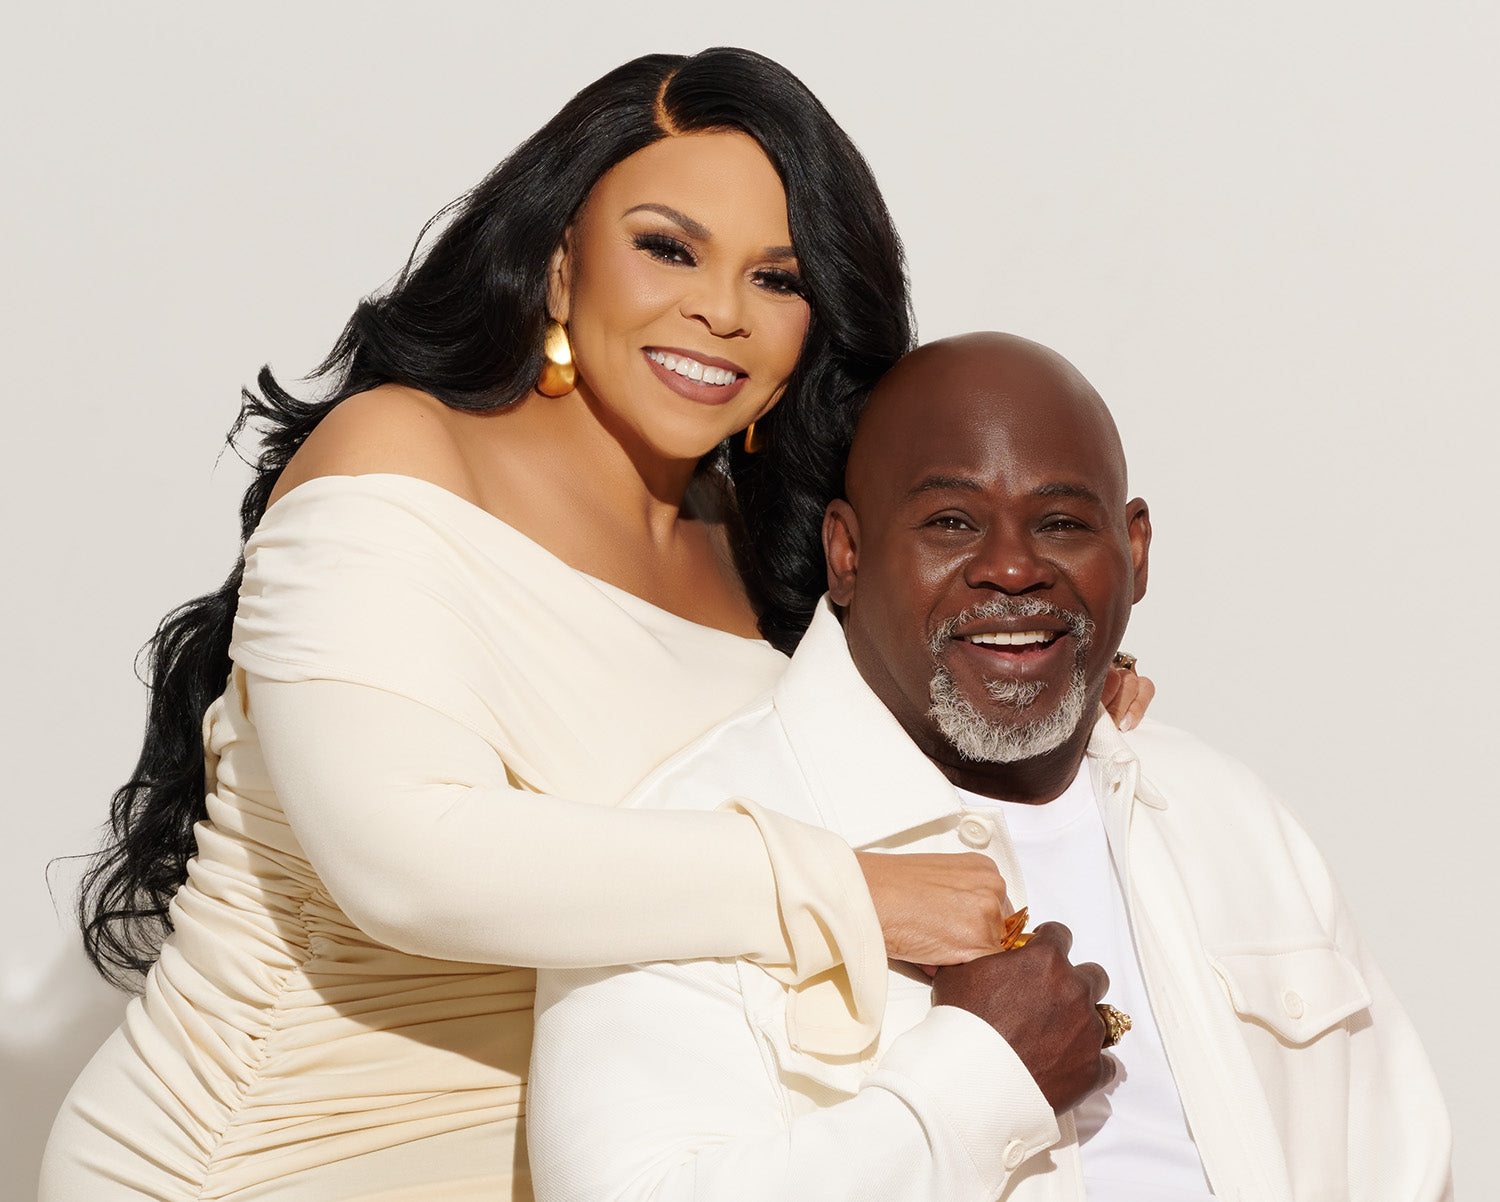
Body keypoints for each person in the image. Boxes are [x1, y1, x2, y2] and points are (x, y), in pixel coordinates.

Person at [527, 332, 1452, 1202]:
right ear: (844, 553)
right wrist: (974, 1083)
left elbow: (1403, 1169)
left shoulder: (1228, 817)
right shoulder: (702, 842)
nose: (1012, 569)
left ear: (1133, 552)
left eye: (1059, 523)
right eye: (951, 521)